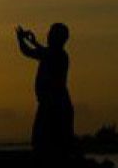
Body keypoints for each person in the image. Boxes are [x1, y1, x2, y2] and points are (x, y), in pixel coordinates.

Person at [16, 22, 75, 156]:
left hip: (54, 106)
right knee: (49, 143)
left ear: (57, 38)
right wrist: (33, 41)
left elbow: (29, 52)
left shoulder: (56, 55)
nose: (48, 35)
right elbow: (40, 51)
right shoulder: (56, 54)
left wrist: (21, 39)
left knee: (45, 142)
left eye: (51, 33)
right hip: (53, 104)